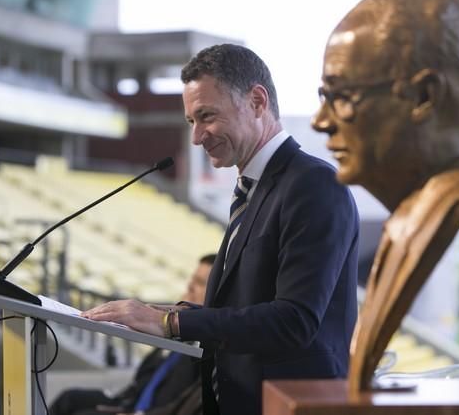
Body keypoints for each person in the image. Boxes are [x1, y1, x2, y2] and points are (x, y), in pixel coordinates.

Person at [83, 44, 359, 415]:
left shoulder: (313, 184)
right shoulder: (252, 187)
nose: (197, 137)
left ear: (257, 102)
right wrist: (156, 312)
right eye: (191, 122)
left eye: (207, 116)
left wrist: (171, 322)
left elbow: (294, 320)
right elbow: (247, 308)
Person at [311, 0, 459, 393]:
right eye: (323, 97)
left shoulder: (455, 203)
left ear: (424, 97)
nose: (321, 121)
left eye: (342, 97)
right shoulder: (409, 216)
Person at [49, 254, 216, 415]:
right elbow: (143, 379)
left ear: (215, 293)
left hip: (152, 411)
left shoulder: (208, 349)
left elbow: (183, 404)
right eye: (192, 280)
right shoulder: (171, 329)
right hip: (129, 403)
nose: (190, 287)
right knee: (69, 399)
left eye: (200, 283)